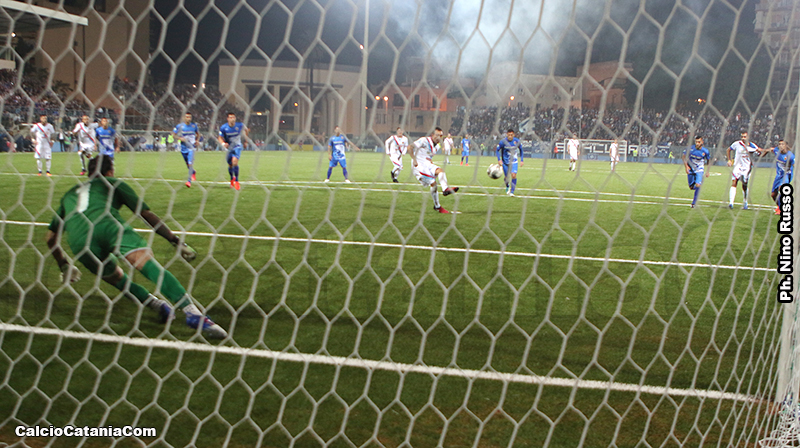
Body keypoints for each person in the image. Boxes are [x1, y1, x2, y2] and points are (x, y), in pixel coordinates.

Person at [45, 156, 227, 339]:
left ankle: (158, 306)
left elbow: (50, 238)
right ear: (110, 171)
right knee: (147, 264)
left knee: (117, 278)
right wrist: (175, 240)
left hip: (79, 241)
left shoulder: (70, 194)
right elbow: (145, 214)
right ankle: (192, 312)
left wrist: (64, 265)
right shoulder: (112, 182)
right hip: (108, 227)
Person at [409, 127, 459, 213]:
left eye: (441, 136)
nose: (438, 137)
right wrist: (414, 159)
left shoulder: (437, 146)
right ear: (432, 135)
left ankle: (445, 189)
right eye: (437, 135)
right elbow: (410, 147)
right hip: (419, 166)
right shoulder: (424, 140)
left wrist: (431, 164)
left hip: (428, 165)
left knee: (440, 171)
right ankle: (438, 206)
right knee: (433, 183)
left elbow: (428, 157)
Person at [726, 130, 761, 210]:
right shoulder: (737, 144)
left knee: (744, 185)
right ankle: (731, 203)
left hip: (747, 168)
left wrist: (762, 151)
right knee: (734, 182)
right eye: (742, 136)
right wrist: (729, 160)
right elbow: (728, 150)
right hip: (737, 167)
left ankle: (745, 201)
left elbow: (759, 153)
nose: (743, 138)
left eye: (745, 136)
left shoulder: (753, 146)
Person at [218, 112, 248, 191]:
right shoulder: (224, 127)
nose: (232, 119)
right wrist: (223, 143)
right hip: (229, 148)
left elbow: (246, 130)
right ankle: (232, 179)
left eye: (233, 117)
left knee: (235, 162)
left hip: (237, 146)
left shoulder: (240, 125)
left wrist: (246, 140)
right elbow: (220, 138)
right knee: (230, 164)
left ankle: (237, 181)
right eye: (230, 117)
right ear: (227, 119)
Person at [683, 136, 711, 208]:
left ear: (702, 142)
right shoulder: (690, 149)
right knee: (691, 187)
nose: (697, 143)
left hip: (699, 169)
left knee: (698, 184)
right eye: (696, 142)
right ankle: (698, 189)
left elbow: (708, 160)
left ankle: (694, 203)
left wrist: (707, 171)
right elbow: (684, 157)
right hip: (691, 168)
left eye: (699, 142)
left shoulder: (705, 151)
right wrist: (686, 167)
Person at [173, 112, 200, 188]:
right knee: (188, 164)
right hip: (183, 147)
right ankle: (193, 172)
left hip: (191, 147)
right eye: (187, 117)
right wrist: (180, 138)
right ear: (184, 118)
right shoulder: (179, 126)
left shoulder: (194, 126)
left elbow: (198, 134)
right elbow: (174, 135)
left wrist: (197, 140)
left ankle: (189, 181)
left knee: (190, 163)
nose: (188, 118)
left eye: (190, 117)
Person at [496, 128, 524, 197]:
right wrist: (499, 159)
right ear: (507, 135)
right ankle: (507, 185)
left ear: (513, 135)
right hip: (505, 162)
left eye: (511, 135)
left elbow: (521, 150)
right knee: (506, 177)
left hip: (514, 162)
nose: (510, 136)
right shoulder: (503, 142)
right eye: (509, 135)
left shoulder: (516, 141)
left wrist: (522, 160)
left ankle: (512, 191)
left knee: (513, 175)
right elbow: (497, 150)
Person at [770, 139, 794, 215]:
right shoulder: (776, 151)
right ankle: (779, 206)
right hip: (778, 176)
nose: (780, 146)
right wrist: (762, 151)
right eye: (779, 144)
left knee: (781, 189)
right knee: (773, 195)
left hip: (786, 175)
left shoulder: (790, 156)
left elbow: (795, 165)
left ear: (786, 145)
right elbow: (771, 149)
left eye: (782, 144)